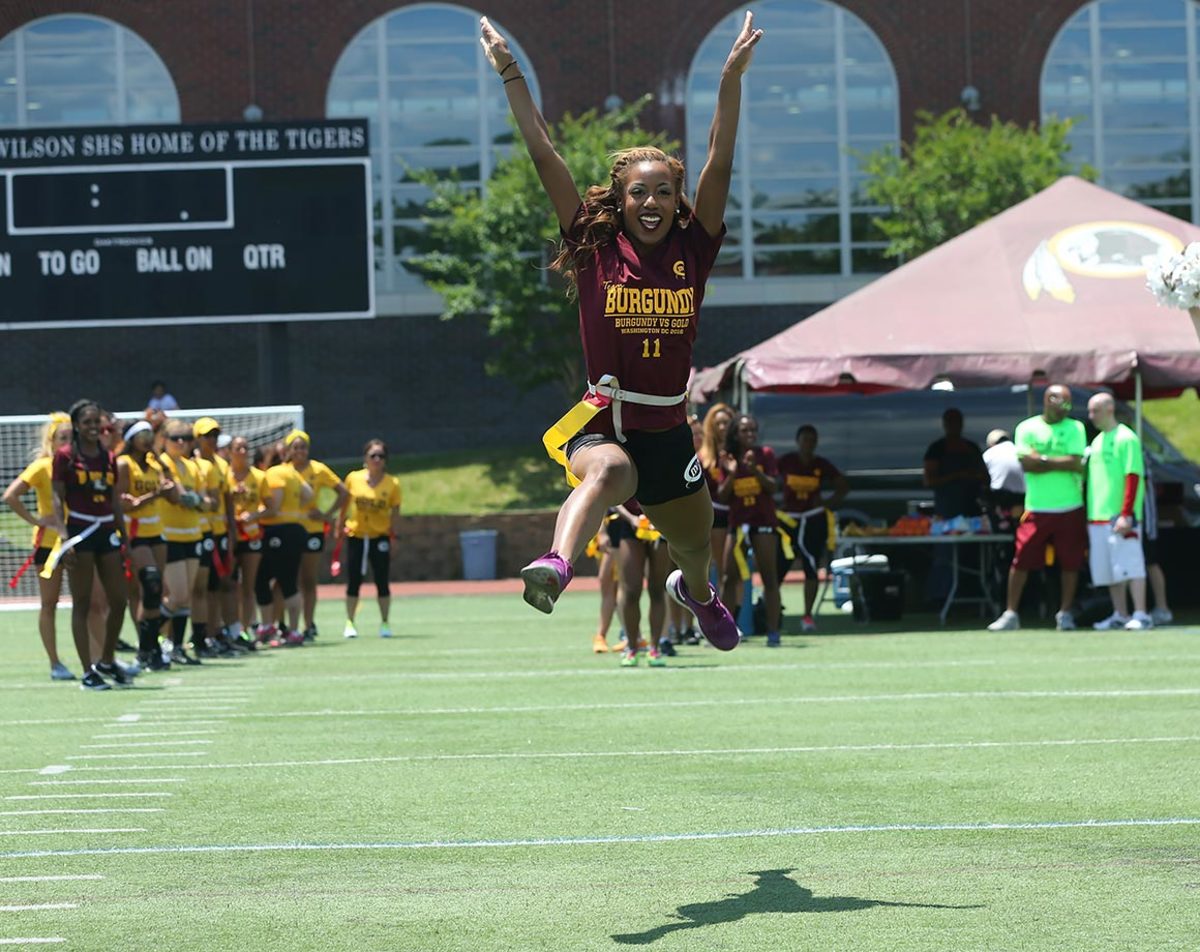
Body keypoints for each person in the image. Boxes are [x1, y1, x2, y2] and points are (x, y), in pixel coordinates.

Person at [481, 12, 763, 653]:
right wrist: (509, 70)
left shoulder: (696, 244)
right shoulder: (592, 243)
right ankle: (556, 564)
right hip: (604, 416)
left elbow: (719, 156)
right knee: (603, 472)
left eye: (664, 191)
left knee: (694, 542)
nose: (652, 202)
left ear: (677, 198)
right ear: (620, 196)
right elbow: (543, 150)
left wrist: (729, 79)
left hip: (667, 429)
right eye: (640, 192)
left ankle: (697, 593)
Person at [988, 385, 1087, 631]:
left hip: (1070, 506)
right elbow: (1026, 464)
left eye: (1068, 404)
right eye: (1060, 403)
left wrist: (1042, 458)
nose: (1065, 409)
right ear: (1047, 401)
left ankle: (1065, 613)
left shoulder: (1076, 427)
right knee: (1021, 559)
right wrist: (1057, 462)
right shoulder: (1027, 427)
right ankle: (1011, 613)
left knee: (1070, 562)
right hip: (1037, 507)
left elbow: (1076, 463)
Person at [48, 399, 130, 690]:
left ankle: (107, 660)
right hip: (80, 531)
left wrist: (124, 535)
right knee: (82, 602)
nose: (94, 427)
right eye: (87, 422)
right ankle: (87, 671)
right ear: (77, 425)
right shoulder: (65, 456)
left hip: (106, 529)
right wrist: (63, 537)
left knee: (119, 600)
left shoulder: (108, 457)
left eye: (97, 422)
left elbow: (114, 500)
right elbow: (57, 498)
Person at [3, 413, 74, 680]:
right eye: (62, 438)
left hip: (77, 541)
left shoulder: (78, 465)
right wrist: (37, 520)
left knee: (91, 602)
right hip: (48, 544)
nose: (67, 443)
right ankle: (55, 662)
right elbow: (10, 496)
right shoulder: (43, 466)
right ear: (52, 441)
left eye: (71, 438)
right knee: (49, 603)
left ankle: (100, 658)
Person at [1085, 393, 1153, 631]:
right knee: (1110, 570)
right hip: (1097, 516)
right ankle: (1120, 614)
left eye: (1095, 410)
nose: (1091, 416)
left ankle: (1141, 613)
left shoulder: (1126, 438)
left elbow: (1132, 475)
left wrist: (1126, 513)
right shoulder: (1097, 442)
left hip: (1120, 516)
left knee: (1131, 565)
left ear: (1110, 408)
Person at [717, 413, 782, 646]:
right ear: (735, 433)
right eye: (745, 430)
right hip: (738, 525)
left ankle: (773, 632)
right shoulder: (727, 458)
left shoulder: (765, 455)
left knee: (769, 578)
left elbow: (774, 487)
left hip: (763, 524)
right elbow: (723, 496)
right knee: (728, 576)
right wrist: (734, 472)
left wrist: (756, 470)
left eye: (753, 430)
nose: (750, 434)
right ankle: (727, 629)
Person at [116, 419, 176, 670]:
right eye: (142, 434)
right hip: (135, 531)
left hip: (156, 530)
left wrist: (164, 468)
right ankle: (145, 649)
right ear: (131, 438)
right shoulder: (124, 464)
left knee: (154, 593)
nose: (148, 438)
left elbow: (172, 495)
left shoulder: (155, 464)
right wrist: (153, 495)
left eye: (149, 433)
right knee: (149, 585)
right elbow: (123, 504)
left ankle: (151, 649)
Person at [776, 424, 848, 632]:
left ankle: (807, 615)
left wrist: (826, 504)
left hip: (812, 520)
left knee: (811, 566)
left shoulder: (820, 464)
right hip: (789, 521)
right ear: (798, 441)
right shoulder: (787, 461)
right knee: (779, 566)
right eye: (805, 439)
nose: (808, 443)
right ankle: (772, 610)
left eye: (812, 439)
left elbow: (843, 485)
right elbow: (769, 479)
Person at [285, 430, 348, 641]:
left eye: (303, 447)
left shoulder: (318, 470)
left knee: (308, 579)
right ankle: (284, 624)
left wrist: (327, 514)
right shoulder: (282, 471)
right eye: (295, 447)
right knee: (286, 578)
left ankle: (309, 623)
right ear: (289, 450)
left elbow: (344, 492)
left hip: (311, 529)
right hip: (288, 529)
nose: (300, 451)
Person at [337, 439, 402, 639]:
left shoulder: (392, 484)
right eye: (372, 455)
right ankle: (350, 622)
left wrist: (394, 537)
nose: (376, 459)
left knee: (382, 580)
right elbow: (345, 503)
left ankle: (384, 622)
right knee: (354, 580)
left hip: (379, 536)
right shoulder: (353, 479)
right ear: (365, 458)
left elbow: (395, 513)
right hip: (356, 535)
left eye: (380, 456)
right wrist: (339, 525)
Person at [157, 419, 206, 665]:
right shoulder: (162, 463)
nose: (181, 443)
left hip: (193, 534)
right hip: (170, 534)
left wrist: (196, 499)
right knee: (177, 594)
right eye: (176, 438)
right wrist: (193, 499)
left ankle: (176, 646)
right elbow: (179, 498)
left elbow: (205, 500)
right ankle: (151, 634)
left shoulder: (192, 467)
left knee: (185, 597)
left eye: (186, 439)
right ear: (164, 440)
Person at [255, 449, 313, 645]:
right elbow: (308, 494)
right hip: (295, 529)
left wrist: (253, 515)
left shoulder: (274, 473)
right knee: (284, 580)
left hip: (278, 530)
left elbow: (274, 507)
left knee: (270, 580)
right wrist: (295, 509)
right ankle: (288, 628)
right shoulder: (294, 473)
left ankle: (274, 626)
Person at [610, 502, 671, 667]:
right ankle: (632, 647)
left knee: (657, 589)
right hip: (631, 525)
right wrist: (632, 519)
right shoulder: (625, 473)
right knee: (631, 590)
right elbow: (615, 498)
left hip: (661, 525)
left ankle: (655, 648)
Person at [227, 436, 267, 643]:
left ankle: (245, 628)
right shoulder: (224, 475)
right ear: (230, 451)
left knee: (248, 585)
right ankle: (230, 627)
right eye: (237, 448)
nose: (242, 451)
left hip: (251, 534)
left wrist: (255, 515)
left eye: (245, 447)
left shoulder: (259, 477)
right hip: (230, 534)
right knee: (229, 584)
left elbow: (269, 505)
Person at [923, 408, 988, 518]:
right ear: (944, 424)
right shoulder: (936, 449)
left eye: (957, 421)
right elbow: (929, 481)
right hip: (946, 511)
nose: (954, 425)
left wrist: (973, 476)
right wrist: (956, 476)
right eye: (950, 421)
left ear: (962, 423)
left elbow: (985, 477)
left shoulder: (972, 448)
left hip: (972, 508)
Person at [698, 403, 735, 588]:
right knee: (721, 568)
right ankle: (720, 612)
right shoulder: (704, 457)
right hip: (716, 516)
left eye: (726, 423)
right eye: (718, 423)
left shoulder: (740, 452)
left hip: (740, 514)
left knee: (736, 567)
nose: (722, 427)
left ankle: (740, 613)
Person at [1141, 452, 1173, 626]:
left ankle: (1162, 607)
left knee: (1150, 560)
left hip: (1144, 517)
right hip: (1126, 514)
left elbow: (1142, 481)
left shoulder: (1132, 445)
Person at [983, 428, 1025, 525]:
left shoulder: (988, 454)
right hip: (1023, 500)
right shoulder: (1019, 451)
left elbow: (982, 478)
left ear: (991, 444)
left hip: (998, 500)